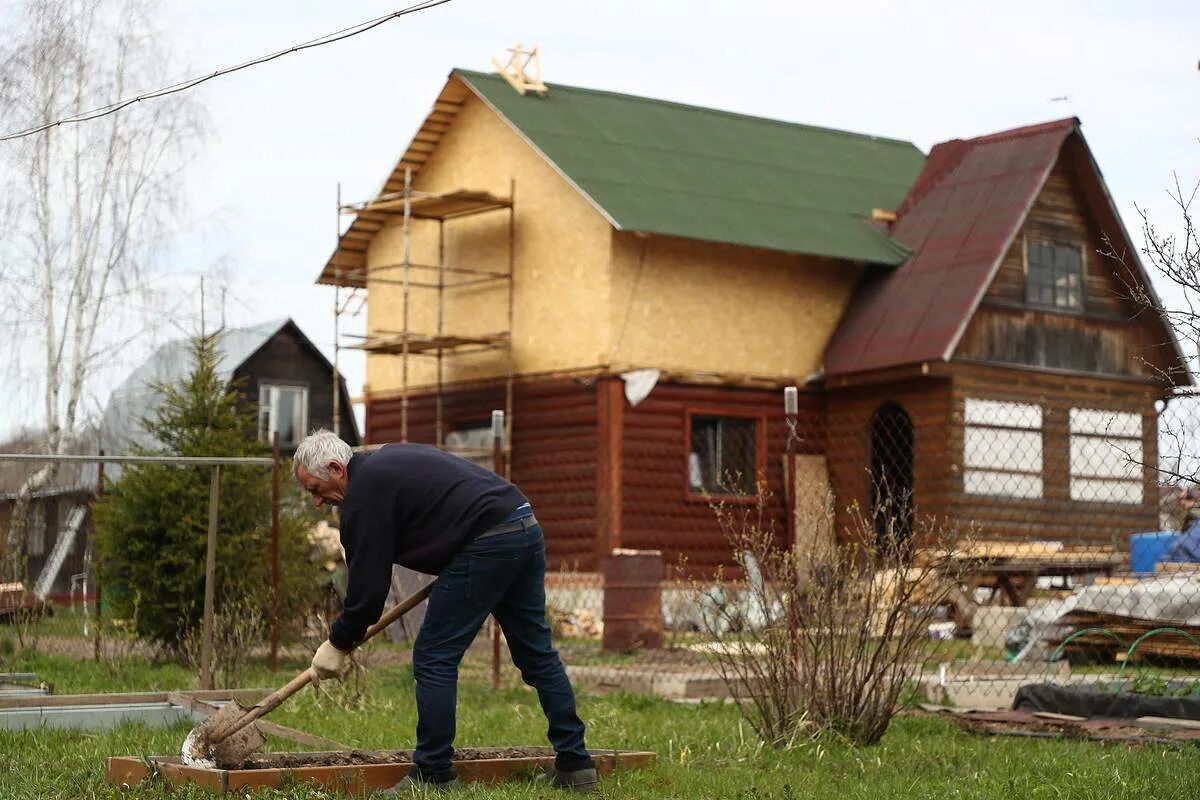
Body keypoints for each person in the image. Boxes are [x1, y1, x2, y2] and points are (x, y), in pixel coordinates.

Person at [294, 430, 597, 793]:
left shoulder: (363, 495)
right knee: (537, 654)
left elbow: (368, 593)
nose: (316, 501)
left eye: (315, 489)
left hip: (487, 540)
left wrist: (338, 641)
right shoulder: (386, 462)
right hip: (522, 525)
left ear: (335, 467)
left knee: (434, 656)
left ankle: (433, 771)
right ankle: (576, 765)